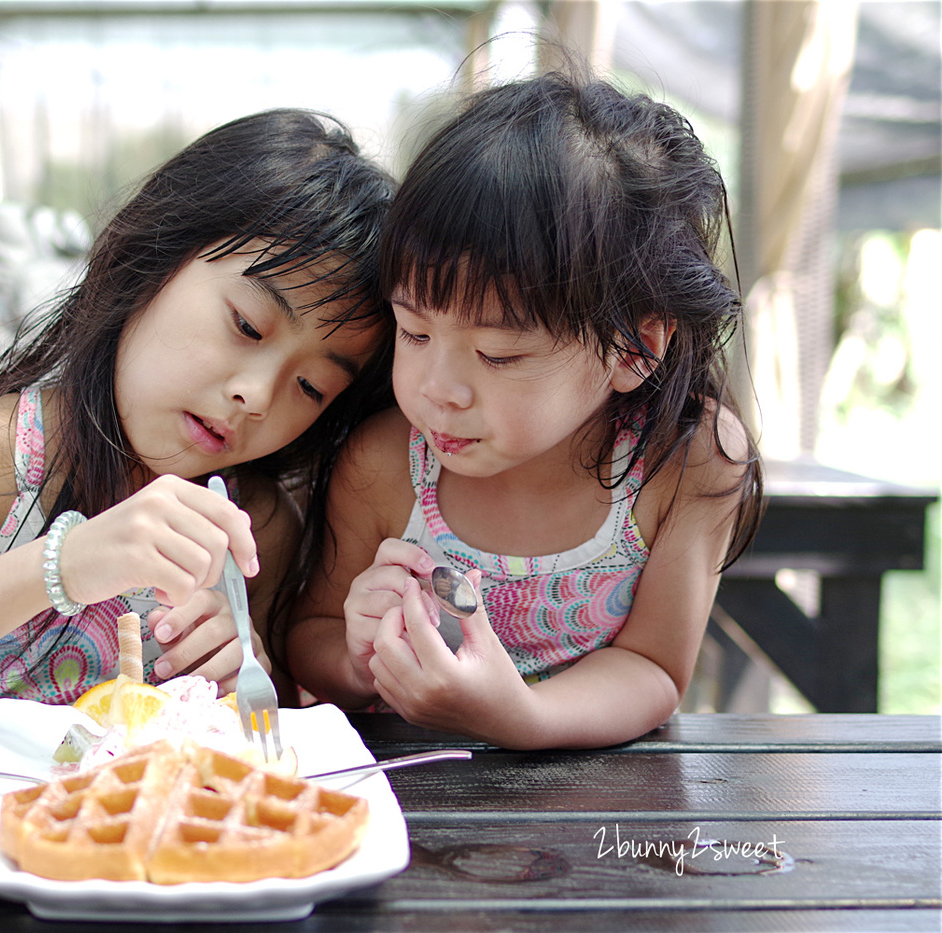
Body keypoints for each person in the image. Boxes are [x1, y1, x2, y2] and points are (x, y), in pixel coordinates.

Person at [0, 109, 395, 713]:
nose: (258, 396)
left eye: (312, 387)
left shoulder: (253, 524)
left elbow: (272, 732)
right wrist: (64, 565)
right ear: (151, 259)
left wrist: (244, 671)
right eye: (246, 325)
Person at [287, 71, 764, 750]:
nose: (438, 388)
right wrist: (357, 655)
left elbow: (654, 666)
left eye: (498, 355)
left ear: (633, 348)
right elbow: (311, 636)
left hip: (596, 818)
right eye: (415, 333)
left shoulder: (688, 462)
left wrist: (521, 716)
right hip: (412, 805)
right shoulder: (387, 464)